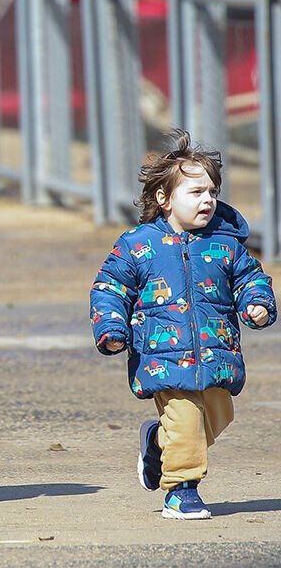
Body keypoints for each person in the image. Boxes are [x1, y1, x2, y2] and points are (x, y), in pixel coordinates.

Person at [90, 130, 276, 519]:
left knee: (218, 416)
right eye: (196, 192)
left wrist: (257, 303)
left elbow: (251, 279)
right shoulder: (139, 244)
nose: (207, 200)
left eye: (212, 192)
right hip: (163, 356)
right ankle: (181, 490)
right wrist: (111, 327)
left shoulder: (225, 244)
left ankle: (157, 442)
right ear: (164, 199)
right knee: (187, 421)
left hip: (216, 352)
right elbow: (110, 287)